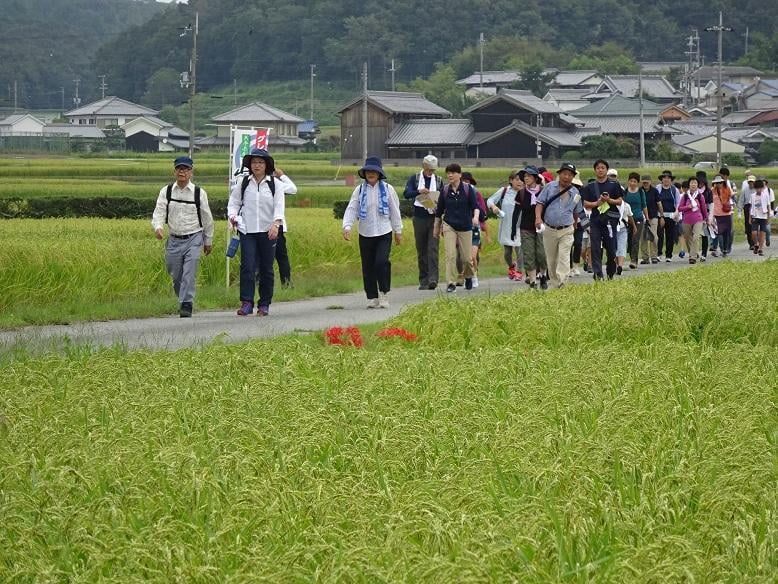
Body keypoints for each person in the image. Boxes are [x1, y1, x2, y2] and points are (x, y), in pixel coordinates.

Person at [227, 148, 291, 316]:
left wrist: (276, 224)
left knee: (266, 268)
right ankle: (246, 302)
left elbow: (279, 206)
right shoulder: (244, 182)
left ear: (267, 165)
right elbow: (233, 202)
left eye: (260, 162)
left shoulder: (274, 184)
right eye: (254, 162)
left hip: (268, 231)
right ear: (249, 165)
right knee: (247, 266)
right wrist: (233, 216)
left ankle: (264, 304)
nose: (257, 165)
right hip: (247, 231)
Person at [151, 156, 214, 318]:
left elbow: (207, 219)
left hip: (194, 237)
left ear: (191, 172)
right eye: (179, 169)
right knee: (175, 272)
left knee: (189, 271)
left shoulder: (199, 193)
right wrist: (158, 227)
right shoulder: (166, 191)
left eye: (185, 169)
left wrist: (208, 241)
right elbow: (159, 212)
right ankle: (183, 297)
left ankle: (186, 303)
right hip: (174, 239)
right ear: (174, 171)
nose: (182, 172)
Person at [342, 156, 403, 308]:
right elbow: (352, 208)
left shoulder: (388, 189)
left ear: (379, 173)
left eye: (374, 171)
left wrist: (398, 230)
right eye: (368, 171)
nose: (371, 174)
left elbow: (395, 211)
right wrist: (347, 226)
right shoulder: (359, 190)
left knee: (381, 262)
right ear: (364, 173)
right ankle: (372, 297)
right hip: (366, 232)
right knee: (368, 266)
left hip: (384, 231)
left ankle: (383, 293)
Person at [535, 162, 583, 289]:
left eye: (570, 175)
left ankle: (563, 282)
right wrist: (538, 218)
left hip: (566, 229)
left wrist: (575, 223)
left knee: (564, 256)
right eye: (564, 174)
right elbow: (539, 203)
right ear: (559, 174)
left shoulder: (575, 193)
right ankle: (555, 285)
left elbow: (577, 211)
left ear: (573, 177)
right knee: (551, 260)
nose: (566, 177)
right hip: (549, 229)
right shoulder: (549, 187)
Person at [433, 163, 480, 293]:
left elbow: (475, 206)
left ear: (459, 174)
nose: (450, 175)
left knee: (466, 258)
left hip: (465, 226)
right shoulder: (445, 190)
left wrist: (475, 218)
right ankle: (451, 283)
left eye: (453, 173)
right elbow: (439, 211)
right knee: (450, 255)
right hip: (449, 225)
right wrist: (436, 227)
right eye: (448, 173)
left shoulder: (467, 189)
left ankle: (469, 276)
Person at [581, 159, 623, 280]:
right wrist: (597, 203)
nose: (600, 170)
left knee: (611, 248)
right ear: (595, 170)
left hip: (610, 221)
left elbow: (620, 201)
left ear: (606, 169)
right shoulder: (590, 186)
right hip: (595, 221)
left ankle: (610, 271)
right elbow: (585, 204)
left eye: (603, 168)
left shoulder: (614, 185)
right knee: (595, 248)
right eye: (598, 168)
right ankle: (597, 273)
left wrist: (609, 200)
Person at [403, 154, 441, 290]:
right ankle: (423, 279)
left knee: (433, 248)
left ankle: (433, 279)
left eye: (433, 170)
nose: (431, 172)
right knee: (421, 249)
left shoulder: (438, 180)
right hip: (419, 217)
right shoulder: (415, 178)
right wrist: (419, 191)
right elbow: (406, 193)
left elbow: (442, 197)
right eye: (429, 169)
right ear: (423, 167)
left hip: (434, 218)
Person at [488, 170, 530, 285]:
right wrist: (494, 207)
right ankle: (512, 266)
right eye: (516, 179)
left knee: (519, 250)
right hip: (506, 226)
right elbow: (490, 200)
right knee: (507, 252)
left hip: (520, 226)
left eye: (522, 179)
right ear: (511, 181)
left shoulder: (526, 192)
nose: (519, 182)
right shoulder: (504, 191)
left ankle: (520, 272)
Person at [273, 162, 298, 288]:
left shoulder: (275, 184)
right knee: (280, 257)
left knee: (280, 257)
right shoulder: (275, 182)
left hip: (277, 225)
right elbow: (293, 189)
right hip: (262, 225)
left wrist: (281, 176)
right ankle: (286, 284)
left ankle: (286, 283)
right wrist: (282, 175)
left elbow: (293, 190)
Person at [461, 172, 487, 288]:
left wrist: (475, 207)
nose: (466, 184)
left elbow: (483, 215)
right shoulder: (455, 194)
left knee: (472, 256)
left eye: (468, 181)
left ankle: (474, 275)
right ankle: (466, 276)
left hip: (474, 229)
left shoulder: (477, 194)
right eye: (463, 181)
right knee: (463, 257)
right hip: (461, 228)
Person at [678, 176, 708, 264]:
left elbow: (704, 209)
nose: (693, 184)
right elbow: (680, 208)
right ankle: (693, 252)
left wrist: (706, 219)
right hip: (686, 220)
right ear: (689, 185)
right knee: (688, 238)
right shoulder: (685, 196)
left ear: (697, 185)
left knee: (695, 237)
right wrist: (688, 207)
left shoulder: (700, 196)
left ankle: (692, 257)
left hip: (698, 219)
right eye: (692, 183)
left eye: (695, 183)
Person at [623, 172, 648, 269]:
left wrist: (647, 217)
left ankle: (634, 260)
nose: (632, 183)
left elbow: (644, 205)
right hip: (627, 219)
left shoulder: (641, 192)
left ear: (638, 183)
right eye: (631, 181)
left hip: (638, 218)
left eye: (635, 181)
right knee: (629, 240)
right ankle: (631, 257)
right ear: (628, 181)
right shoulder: (625, 192)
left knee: (635, 239)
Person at [656, 170, 680, 262]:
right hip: (660, 215)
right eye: (664, 178)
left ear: (671, 180)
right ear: (662, 179)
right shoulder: (658, 188)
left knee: (670, 236)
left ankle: (668, 255)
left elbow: (678, 203)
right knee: (660, 235)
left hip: (671, 216)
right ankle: (659, 253)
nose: (666, 179)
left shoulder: (674, 190)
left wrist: (677, 213)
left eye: (668, 178)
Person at [710, 175, 734, 257]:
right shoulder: (712, 191)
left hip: (726, 214)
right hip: (717, 215)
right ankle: (722, 248)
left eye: (720, 182)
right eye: (717, 183)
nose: (719, 184)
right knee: (719, 233)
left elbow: (731, 198)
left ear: (723, 182)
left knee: (726, 233)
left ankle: (725, 250)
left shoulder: (727, 190)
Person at [750, 179, 771, 256]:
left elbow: (768, 206)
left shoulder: (766, 195)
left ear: (763, 188)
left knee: (762, 233)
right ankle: (756, 244)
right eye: (757, 188)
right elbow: (751, 207)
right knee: (754, 233)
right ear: (755, 188)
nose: (759, 190)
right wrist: (750, 217)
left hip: (763, 216)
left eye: (760, 188)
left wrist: (768, 217)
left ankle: (761, 249)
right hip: (755, 216)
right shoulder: (752, 196)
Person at [615, 196, 636, 275]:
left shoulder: (609, 204)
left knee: (615, 247)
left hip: (613, 228)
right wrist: (634, 226)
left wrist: (634, 226)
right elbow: (630, 217)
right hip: (622, 228)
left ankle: (618, 265)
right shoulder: (626, 205)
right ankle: (620, 265)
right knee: (622, 247)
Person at [738, 173, 756, 250]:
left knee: (755, 225)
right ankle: (751, 244)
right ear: (748, 182)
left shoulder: (757, 189)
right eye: (749, 182)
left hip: (756, 207)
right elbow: (741, 201)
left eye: (752, 182)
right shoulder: (745, 190)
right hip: (747, 207)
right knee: (748, 226)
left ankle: (756, 242)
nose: (751, 183)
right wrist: (739, 212)